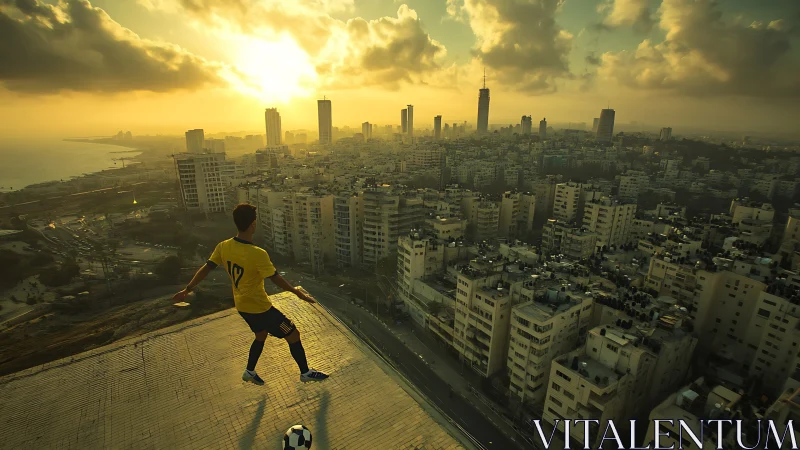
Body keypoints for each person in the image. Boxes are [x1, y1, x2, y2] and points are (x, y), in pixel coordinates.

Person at [172, 203, 329, 385]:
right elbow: (276, 278)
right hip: (261, 309)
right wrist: (297, 293)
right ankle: (305, 373)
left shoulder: (223, 246)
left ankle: (250, 371)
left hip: (242, 307)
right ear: (253, 224)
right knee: (293, 334)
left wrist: (187, 289)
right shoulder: (257, 253)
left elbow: (206, 268)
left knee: (260, 335)